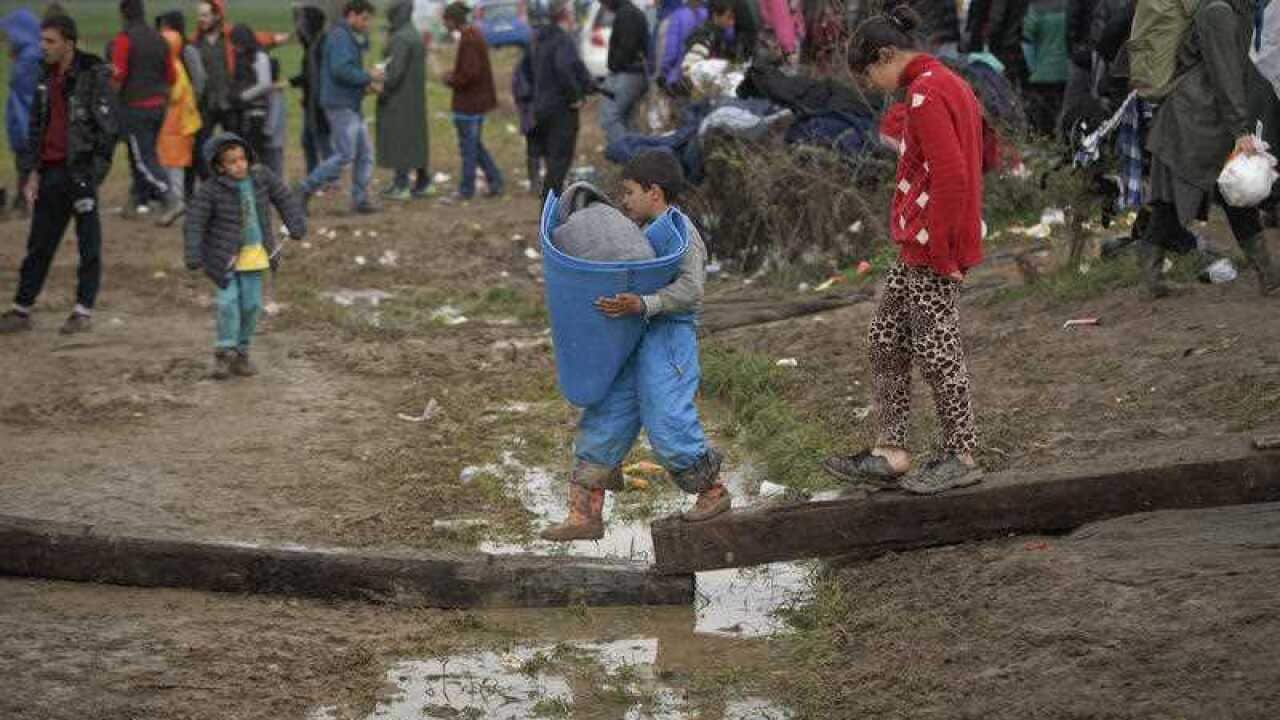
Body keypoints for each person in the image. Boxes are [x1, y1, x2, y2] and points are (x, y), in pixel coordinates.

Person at [823, 6, 985, 496]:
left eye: (871, 73)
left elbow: (952, 177)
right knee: (885, 336)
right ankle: (891, 452)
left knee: (938, 349)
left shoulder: (924, 93)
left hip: (933, 246)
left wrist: (942, 255)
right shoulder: (945, 81)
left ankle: (961, 453)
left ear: (886, 55)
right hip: (919, 243)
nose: (875, 84)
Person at [540, 150, 730, 541]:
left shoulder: (682, 234)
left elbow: (692, 290)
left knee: (667, 416)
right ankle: (584, 515)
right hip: (635, 334)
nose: (623, 202)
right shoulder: (641, 233)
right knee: (606, 415)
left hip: (668, 339)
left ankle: (712, 493)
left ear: (654, 192)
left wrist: (645, 304)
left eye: (629, 192)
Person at [1139, 0, 1278, 297]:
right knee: (1184, 199)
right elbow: (1225, 72)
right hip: (1196, 116)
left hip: (1200, 114)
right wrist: (1240, 129)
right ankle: (1269, 276)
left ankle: (1269, 275)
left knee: (1226, 194)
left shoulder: (1232, 9)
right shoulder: (1219, 12)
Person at [0, 14, 117, 336]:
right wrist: (33, 171)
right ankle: (21, 309)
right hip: (50, 171)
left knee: (88, 245)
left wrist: (93, 174)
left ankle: (82, 311)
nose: (43, 47)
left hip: (80, 173)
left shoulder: (93, 74)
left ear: (69, 43)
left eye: (50, 41)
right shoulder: (43, 75)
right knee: (39, 243)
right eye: (41, 40)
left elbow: (108, 130)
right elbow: (37, 125)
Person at [184, 132, 305, 378]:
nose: (239, 165)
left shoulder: (261, 178)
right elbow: (194, 221)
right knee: (228, 304)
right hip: (224, 258)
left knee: (252, 305)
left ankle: (242, 352)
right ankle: (224, 351)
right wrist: (193, 252)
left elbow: (284, 197)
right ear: (219, 167)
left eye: (242, 159)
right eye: (231, 161)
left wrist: (295, 223)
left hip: (255, 255)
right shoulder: (210, 191)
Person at [295, 0, 385, 215]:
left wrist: (366, 86)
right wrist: (368, 76)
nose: (367, 24)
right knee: (345, 154)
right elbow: (340, 70)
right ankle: (303, 189)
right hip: (340, 105)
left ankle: (360, 199)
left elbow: (343, 72)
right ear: (351, 15)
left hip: (349, 103)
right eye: (365, 18)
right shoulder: (340, 37)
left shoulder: (345, 36)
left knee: (365, 154)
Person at [191, 0, 285, 182]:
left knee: (235, 145)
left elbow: (253, 38)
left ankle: (236, 181)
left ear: (217, 15)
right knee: (201, 146)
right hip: (207, 103)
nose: (200, 19)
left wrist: (273, 38)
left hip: (230, 102)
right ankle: (210, 183)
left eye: (204, 15)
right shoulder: (196, 41)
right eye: (199, 15)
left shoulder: (229, 36)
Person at [112, 0, 176, 219]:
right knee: (138, 153)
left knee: (142, 157)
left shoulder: (124, 39)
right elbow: (172, 76)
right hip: (159, 107)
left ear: (123, 14)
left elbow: (117, 76)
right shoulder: (160, 39)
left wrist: (110, 100)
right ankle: (135, 200)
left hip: (135, 107)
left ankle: (170, 197)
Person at [530, 0, 594, 200]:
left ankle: (549, 212)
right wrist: (575, 96)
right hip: (561, 110)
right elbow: (564, 67)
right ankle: (548, 218)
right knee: (558, 167)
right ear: (565, 14)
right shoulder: (563, 39)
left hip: (541, 108)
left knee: (552, 165)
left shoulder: (539, 38)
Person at [441, 1, 503, 201]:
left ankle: (466, 190)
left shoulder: (469, 38)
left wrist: (450, 78)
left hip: (469, 104)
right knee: (474, 146)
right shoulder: (473, 35)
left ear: (452, 20)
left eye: (445, 20)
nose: (444, 24)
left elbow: (470, 73)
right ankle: (496, 181)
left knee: (469, 149)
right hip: (475, 102)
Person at [377, 0, 430, 201]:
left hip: (399, 99)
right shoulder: (413, 34)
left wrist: (381, 82)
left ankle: (401, 185)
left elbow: (395, 72)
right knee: (415, 140)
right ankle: (424, 181)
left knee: (400, 140)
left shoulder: (400, 38)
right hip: (414, 97)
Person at [155, 18, 201, 227]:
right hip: (177, 126)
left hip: (176, 127)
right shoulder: (176, 65)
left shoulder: (173, 68)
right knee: (173, 167)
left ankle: (177, 205)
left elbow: (173, 95)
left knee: (174, 168)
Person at [1, 9, 43, 216]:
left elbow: (24, 97)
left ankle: (25, 201)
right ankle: (22, 199)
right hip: (24, 121)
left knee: (26, 162)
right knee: (25, 163)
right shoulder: (32, 54)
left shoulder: (28, 59)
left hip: (25, 122)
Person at [598, 0, 649, 146]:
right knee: (627, 119)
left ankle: (627, 155)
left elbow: (627, 48)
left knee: (610, 117)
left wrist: (614, 65)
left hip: (629, 73)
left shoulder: (627, 14)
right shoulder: (628, 12)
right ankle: (638, 158)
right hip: (633, 72)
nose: (603, 5)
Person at [291, 4, 330, 178]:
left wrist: (295, 82)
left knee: (321, 140)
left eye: (302, 21)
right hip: (311, 101)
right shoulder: (311, 45)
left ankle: (328, 176)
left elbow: (316, 76)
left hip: (319, 103)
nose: (298, 26)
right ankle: (315, 174)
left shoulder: (320, 46)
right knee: (309, 141)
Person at [1022, 0, 1068, 137]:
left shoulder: (1035, 8)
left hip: (1042, 72)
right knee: (1063, 109)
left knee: (1044, 115)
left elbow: (1027, 42)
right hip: (1066, 70)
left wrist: (1032, 69)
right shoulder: (1069, 5)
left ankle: (1046, 139)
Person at [227, 24, 272, 162]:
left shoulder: (260, 56)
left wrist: (242, 96)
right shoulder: (240, 56)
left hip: (256, 111)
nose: (235, 47)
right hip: (242, 110)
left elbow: (265, 84)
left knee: (255, 150)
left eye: (237, 43)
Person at [966, 0, 1031, 87]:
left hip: (1002, 42)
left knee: (1002, 78)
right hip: (1017, 39)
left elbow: (996, 18)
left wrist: (987, 33)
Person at [655, 0, 707, 95]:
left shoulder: (677, 17)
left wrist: (662, 72)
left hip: (679, 79)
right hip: (702, 79)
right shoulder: (707, 14)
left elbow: (671, 54)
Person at [512, 43, 543, 194]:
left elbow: (519, 89)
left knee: (534, 148)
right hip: (536, 110)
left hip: (531, 111)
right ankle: (536, 181)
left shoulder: (523, 63)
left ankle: (535, 181)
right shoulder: (542, 62)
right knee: (536, 148)